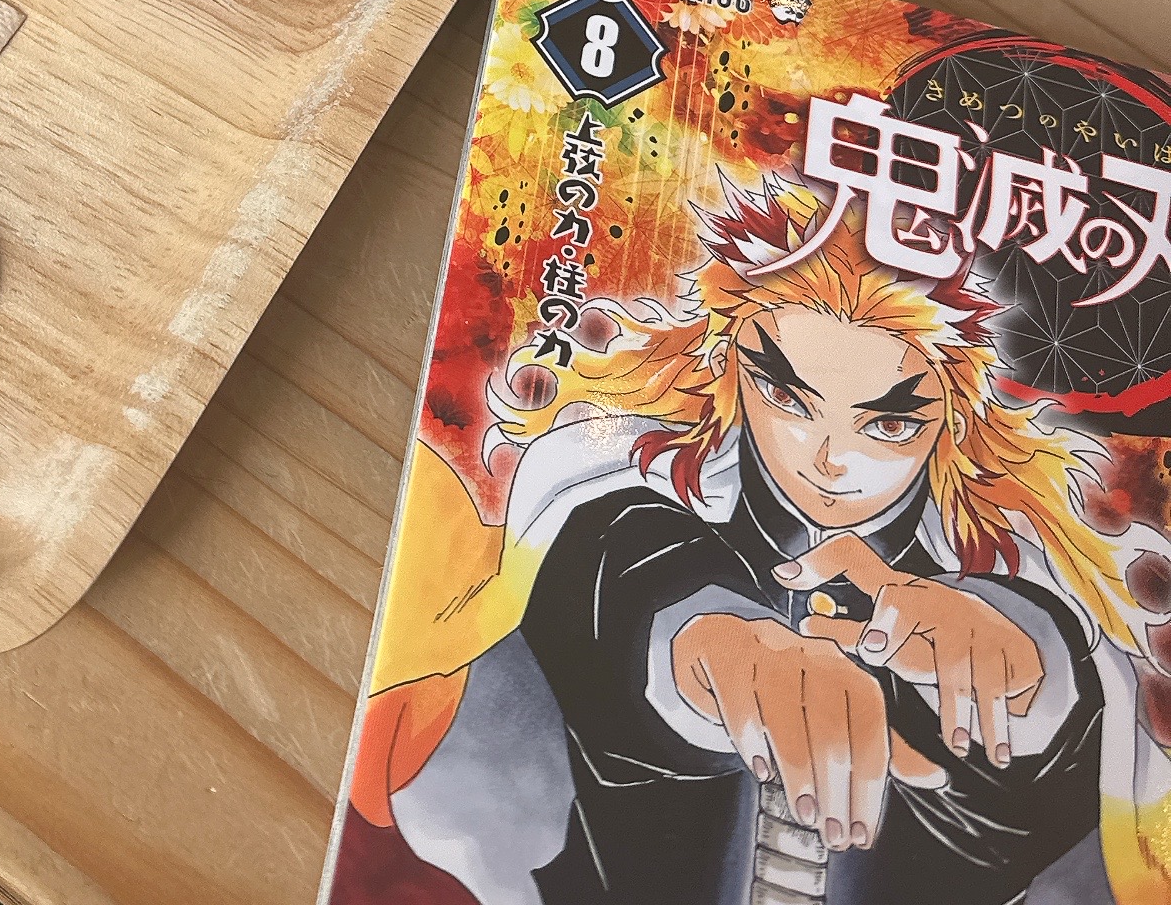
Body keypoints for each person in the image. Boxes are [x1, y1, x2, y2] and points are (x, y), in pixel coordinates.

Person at [384, 178, 1168, 904]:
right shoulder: (627, 514)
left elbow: (1033, 766)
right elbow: (620, 573)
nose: (830, 460)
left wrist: (1025, 667)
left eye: (889, 423)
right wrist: (716, 642)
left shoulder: (997, 577)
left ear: (952, 425)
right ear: (728, 373)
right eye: (788, 397)